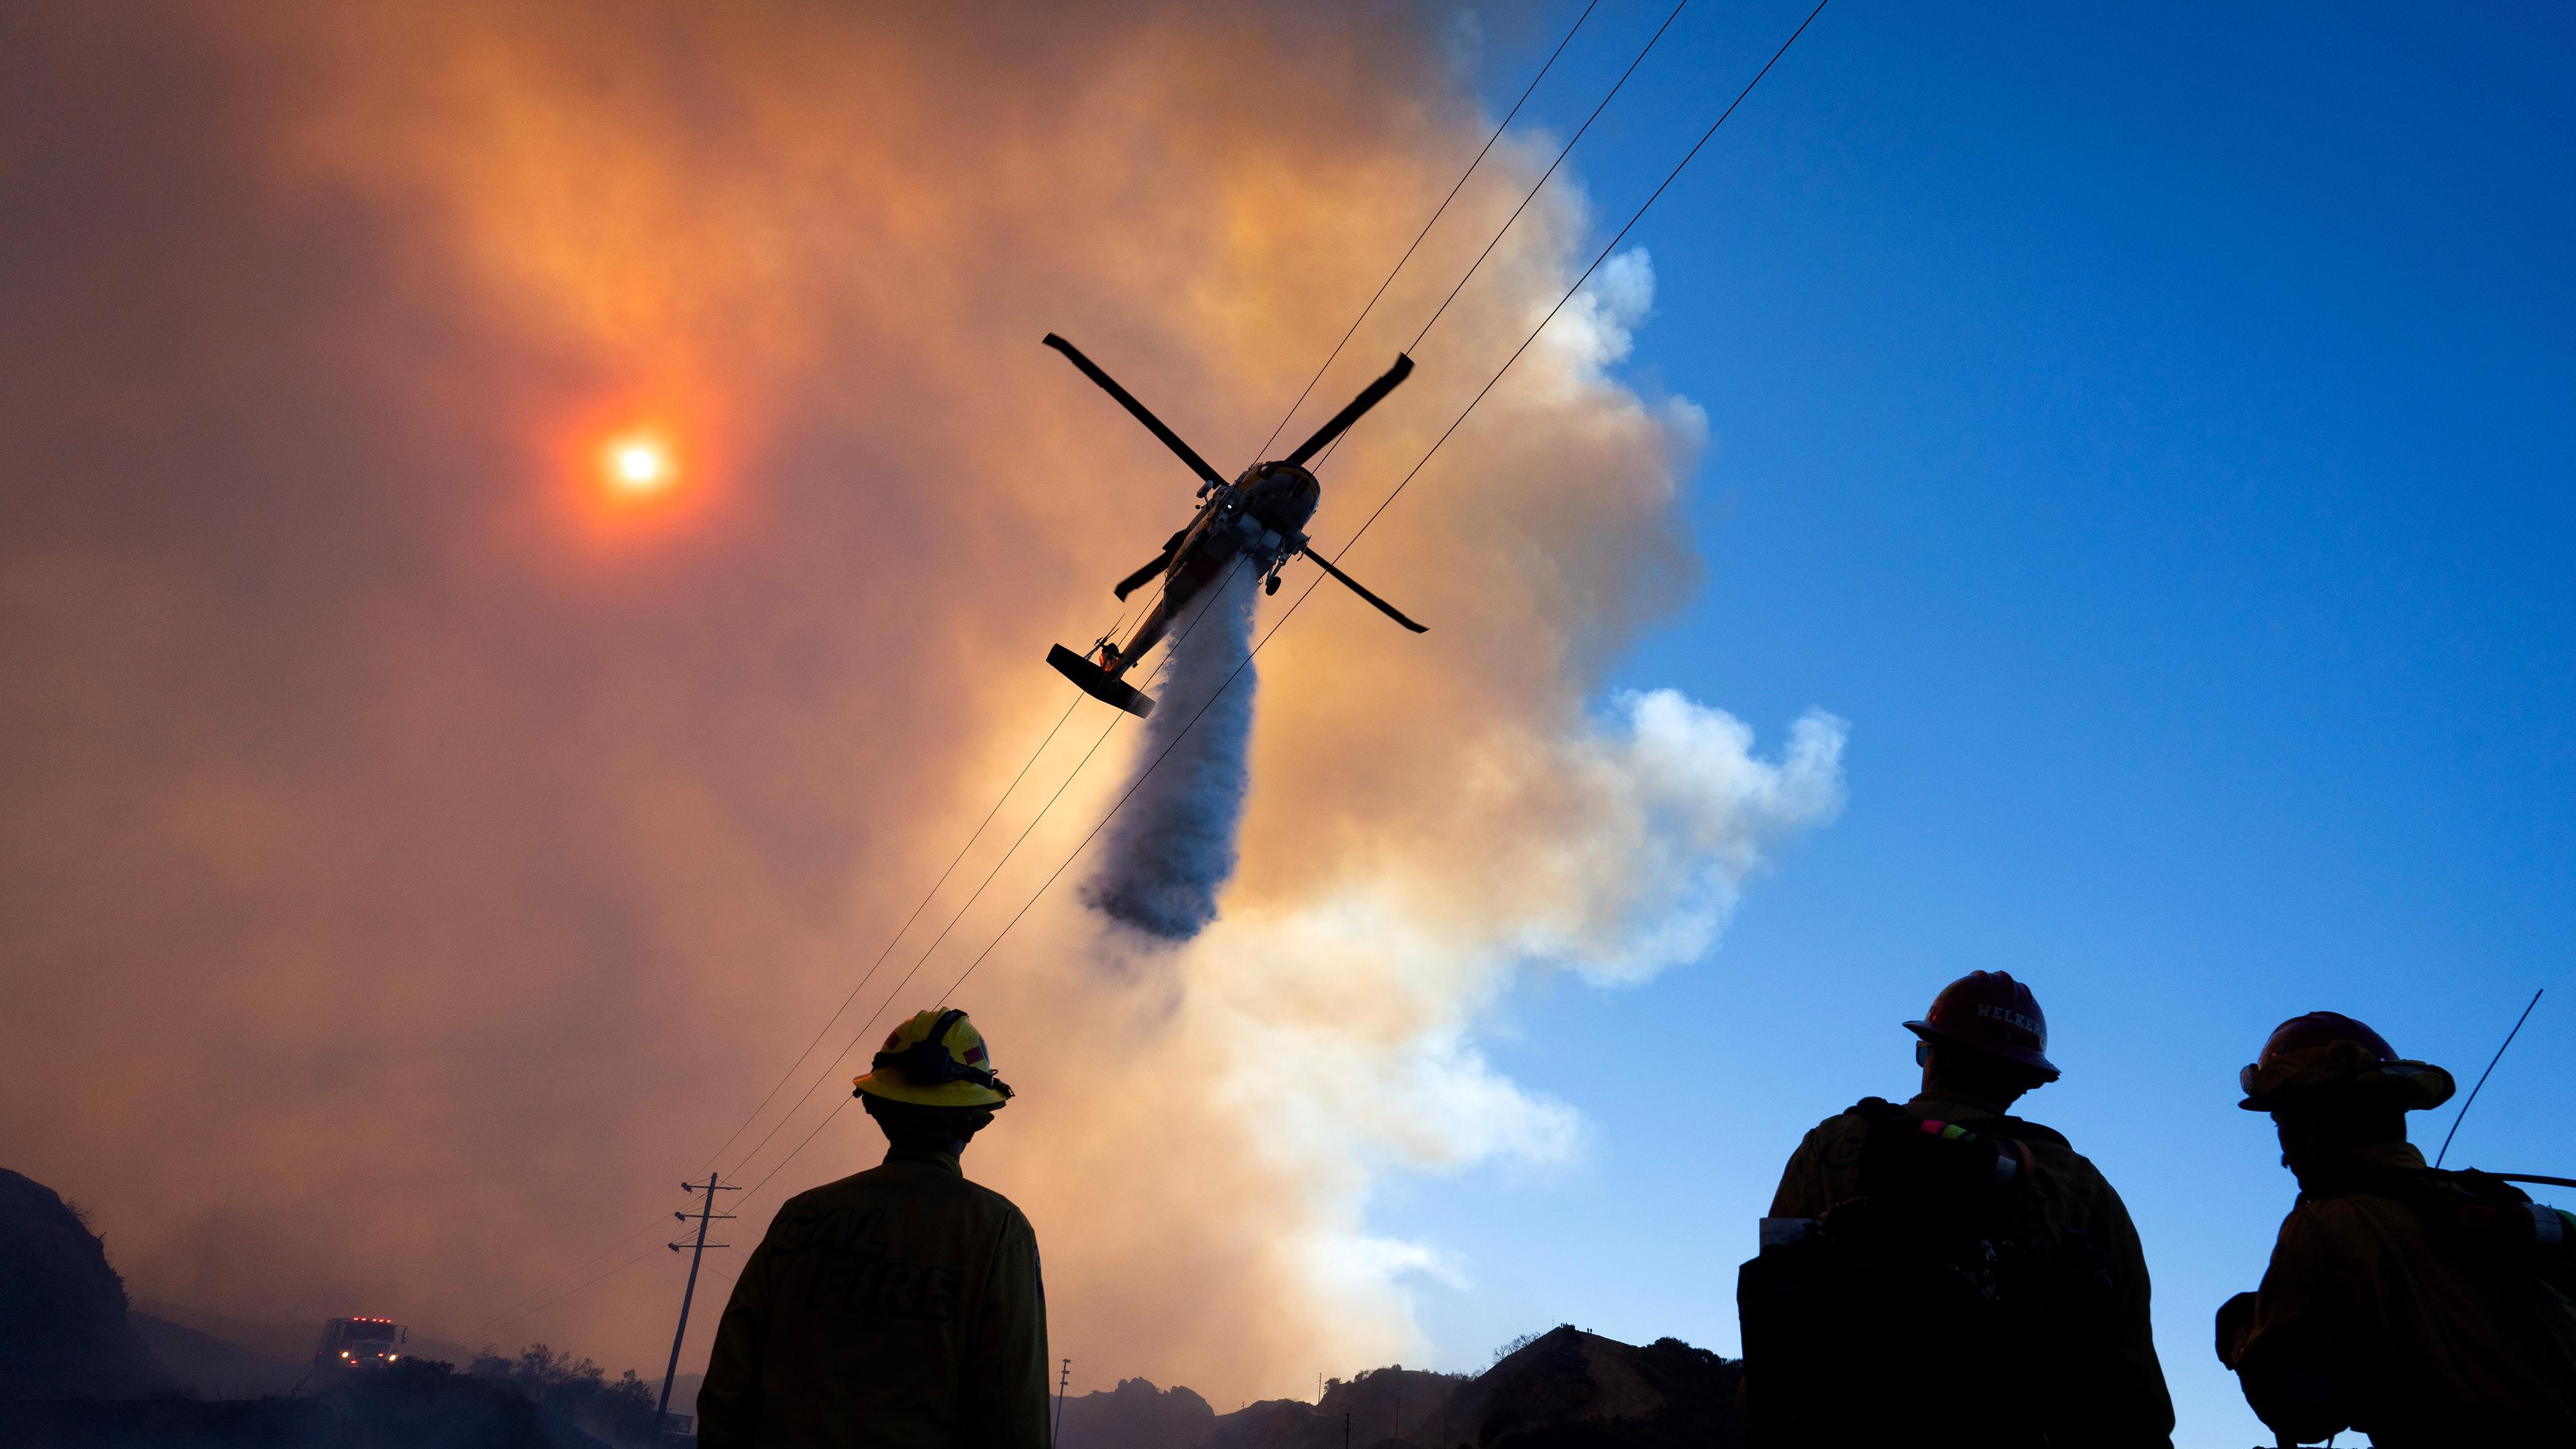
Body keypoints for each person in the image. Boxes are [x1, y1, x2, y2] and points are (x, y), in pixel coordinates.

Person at [1739, 971, 2172, 1448]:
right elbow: (2130, 1355)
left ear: (1932, 1053)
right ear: (2025, 1081)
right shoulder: (2080, 1183)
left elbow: (1774, 1293)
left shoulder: (1832, 1143)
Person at [2216, 1011, 2576, 1444]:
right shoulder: (2487, 1204)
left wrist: (2242, 1333)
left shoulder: (2327, 1227)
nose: (2283, 1152)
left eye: (2281, 1121)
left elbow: (2297, 1413)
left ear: (2308, 1120)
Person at [699, 1008, 1049, 1449]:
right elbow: (1015, 1415)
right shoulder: (997, 1232)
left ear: (878, 1106)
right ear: (976, 1117)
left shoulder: (802, 1218)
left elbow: (726, 1390)